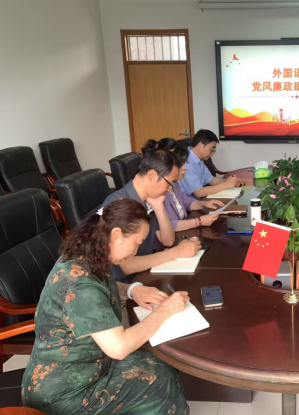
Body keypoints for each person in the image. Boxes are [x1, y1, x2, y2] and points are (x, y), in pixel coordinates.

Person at [22, 198, 190, 415]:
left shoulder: (88, 254)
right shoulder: (80, 284)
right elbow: (118, 348)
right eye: (137, 242)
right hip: (65, 394)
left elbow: (99, 288)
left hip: (89, 366)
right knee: (159, 382)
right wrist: (165, 311)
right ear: (117, 235)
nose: (136, 250)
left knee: (161, 363)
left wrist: (132, 290)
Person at [102, 149, 200, 283]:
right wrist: (176, 252)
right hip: (123, 285)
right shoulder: (119, 204)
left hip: (146, 272)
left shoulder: (150, 199)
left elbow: (168, 241)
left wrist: (159, 207)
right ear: (152, 175)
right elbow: (128, 266)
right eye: (170, 183)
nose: (170, 189)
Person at [165, 143, 225, 231]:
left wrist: (204, 204)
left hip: (185, 227)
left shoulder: (175, 184)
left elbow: (187, 202)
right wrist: (199, 221)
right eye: (180, 164)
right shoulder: (159, 191)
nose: (185, 168)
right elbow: (168, 226)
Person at [179, 129, 243, 199]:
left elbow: (211, 180)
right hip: (188, 204)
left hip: (199, 200)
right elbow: (199, 192)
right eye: (211, 149)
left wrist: (230, 181)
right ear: (200, 145)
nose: (212, 154)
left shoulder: (198, 159)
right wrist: (226, 185)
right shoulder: (187, 162)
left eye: (214, 151)